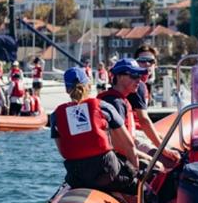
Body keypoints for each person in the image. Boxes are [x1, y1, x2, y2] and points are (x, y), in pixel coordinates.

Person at [50, 66, 140, 194]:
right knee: (141, 184)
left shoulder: (56, 116)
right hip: (108, 173)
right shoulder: (103, 107)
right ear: (88, 85)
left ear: (66, 89)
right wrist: (135, 172)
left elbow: (62, 151)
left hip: (77, 177)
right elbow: (129, 144)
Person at [100, 59, 176, 165]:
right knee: (168, 163)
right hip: (119, 158)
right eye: (134, 75)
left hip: (127, 148)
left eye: (140, 75)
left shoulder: (119, 100)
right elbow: (118, 145)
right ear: (119, 77)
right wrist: (148, 158)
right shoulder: (115, 103)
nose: (139, 80)